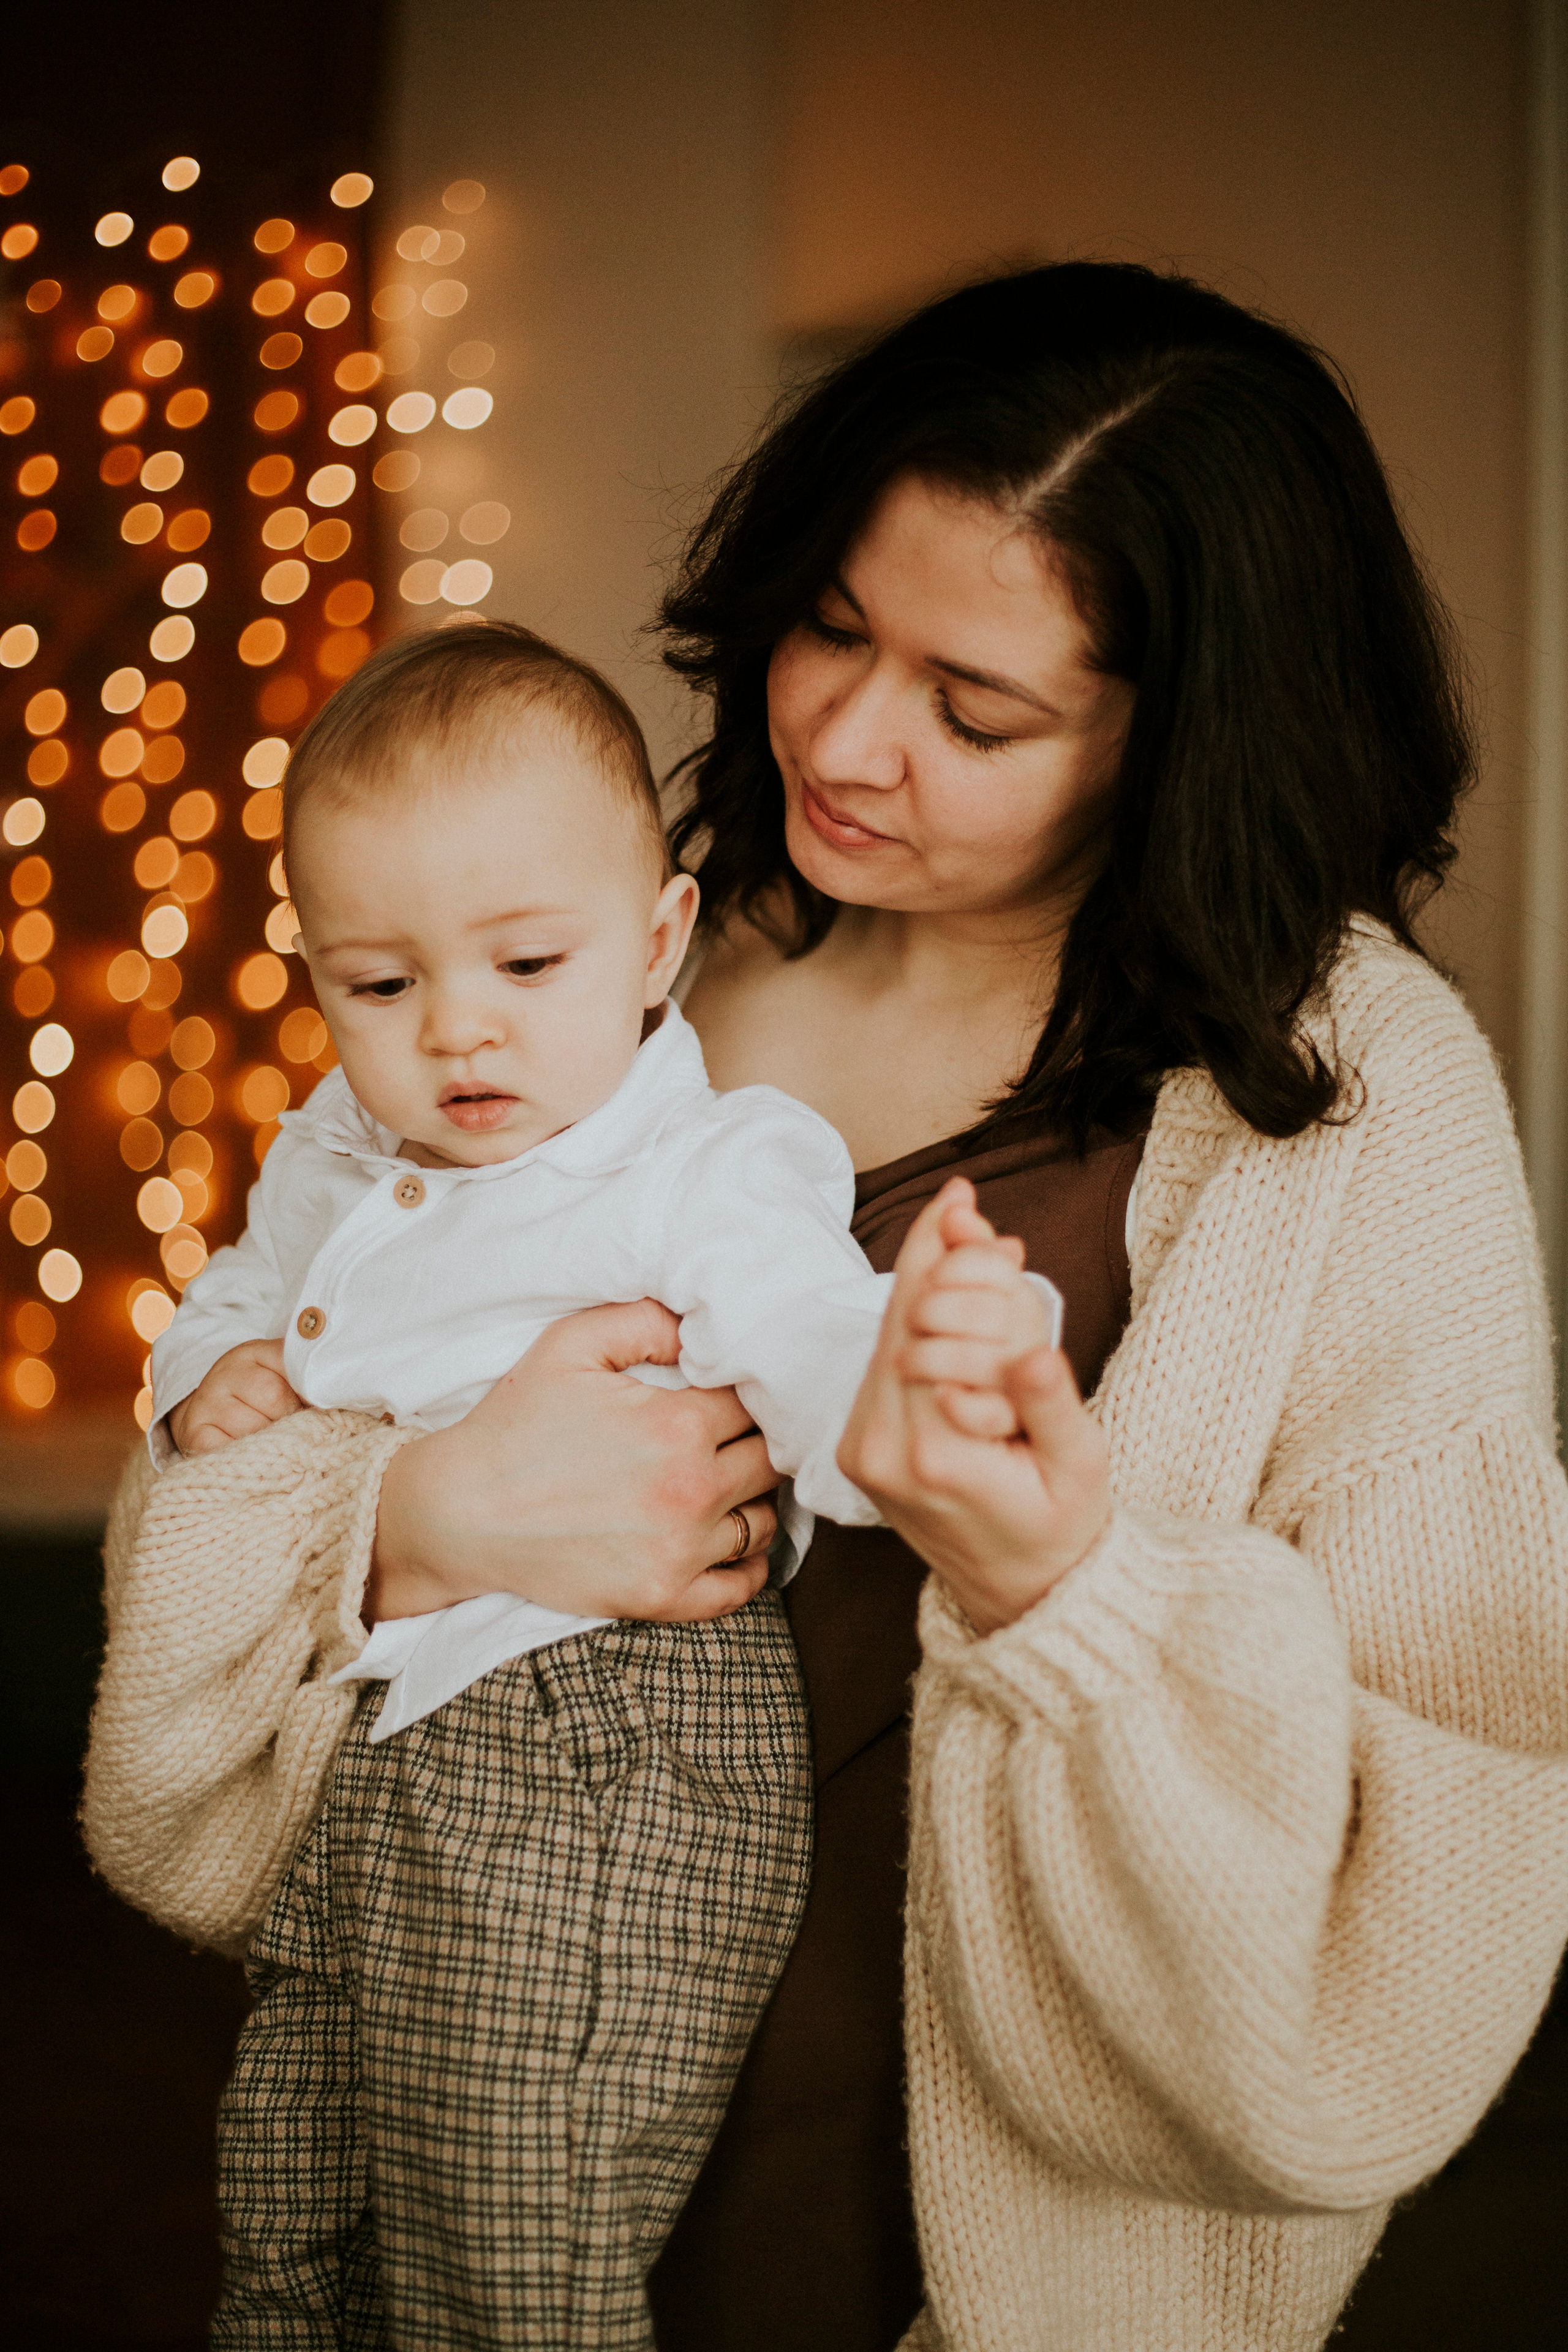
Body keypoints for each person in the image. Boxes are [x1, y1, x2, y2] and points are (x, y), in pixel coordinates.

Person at [85, 262, 1568, 2352]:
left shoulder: (1340, 1102)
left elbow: (1454, 1853)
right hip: (464, 2081)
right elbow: (213, 1489)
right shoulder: (588, 951)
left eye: (977, 712)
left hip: (959, 2239)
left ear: (1185, 729)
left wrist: (1069, 1582)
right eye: (833, 628)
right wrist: (407, 1526)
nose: (848, 742)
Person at [132, 617, 1054, 2348]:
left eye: (527, 968)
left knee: (516, 2238)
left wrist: (930, 1379)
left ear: (655, 947)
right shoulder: (334, 1146)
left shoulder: (696, 1161)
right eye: (381, 986)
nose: (456, 1037)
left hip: (610, 1748)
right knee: (294, 2196)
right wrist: (208, 1387)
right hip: (377, 1753)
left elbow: (809, 1333)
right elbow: (234, 1298)